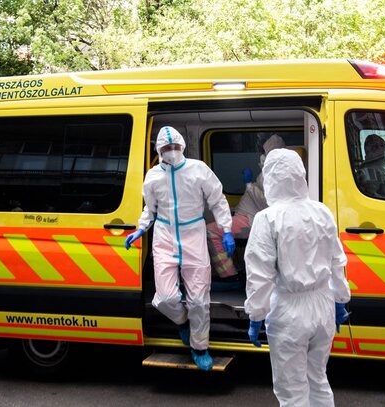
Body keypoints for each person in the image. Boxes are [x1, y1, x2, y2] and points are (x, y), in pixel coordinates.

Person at [244, 148, 351, 406]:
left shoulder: (267, 218)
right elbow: (337, 260)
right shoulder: (322, 211)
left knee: (292, 390)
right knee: (318, 378)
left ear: (269, 178)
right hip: (323, 306)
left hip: (289, 312)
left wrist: (256, 315)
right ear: (300, 175)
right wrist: (340, 299)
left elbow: (260, 274)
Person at [124, 126, 234, 371]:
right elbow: (150, 208)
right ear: (159, 150)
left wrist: (226, 228)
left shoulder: (198, 170)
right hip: (164, 236)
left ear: (182, 146)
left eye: (175, 146)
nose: (172, 151)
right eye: (166, 148)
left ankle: (200, 347)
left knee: (199, 300)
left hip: (193, 234)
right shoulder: (153, 176)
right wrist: (141, 228)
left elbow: (218, 199)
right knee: (165, 298)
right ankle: (183, 322)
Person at [206, 134, 286, 279]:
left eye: (264, 152)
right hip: (246, 215)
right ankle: (236, 268)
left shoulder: (274, 174)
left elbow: (268, 203)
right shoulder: (268, 172)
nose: (261, 156)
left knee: (210, 231)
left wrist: (249, 185)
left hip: (250, 220)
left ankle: (229, 275)